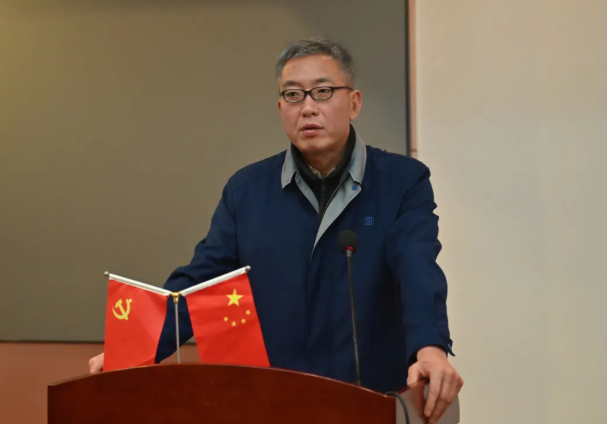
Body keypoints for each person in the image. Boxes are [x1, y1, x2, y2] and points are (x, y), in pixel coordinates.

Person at [89, 37, 463, 424]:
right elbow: (198, 281)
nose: (308, 108)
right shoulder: (247, 192)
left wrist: (430, 347)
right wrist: (134, 350)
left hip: (372, 401)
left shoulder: (402, 182)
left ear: (354, 103)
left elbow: (417, 267)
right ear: (281, 108)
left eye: (323, 91)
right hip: (277, 404)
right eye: (293, 95)